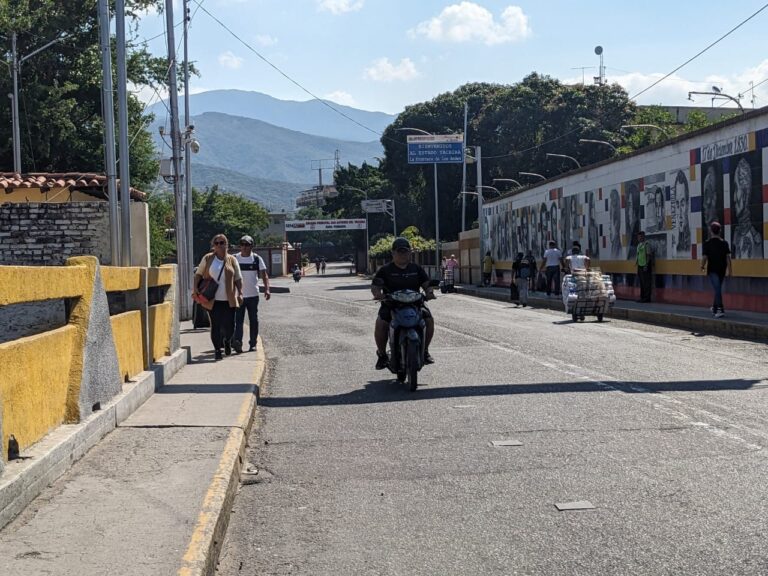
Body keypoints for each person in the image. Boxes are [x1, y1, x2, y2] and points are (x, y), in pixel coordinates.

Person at [371, 237, 435, 370]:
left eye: (405, 251)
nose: (403, 254)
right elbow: (375, 286)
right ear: (393, 253)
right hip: (391, 305)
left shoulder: (416, 269)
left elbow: (426, 284)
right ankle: (382, 355)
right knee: (381, 323)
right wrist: (378, 294)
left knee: (429, 320)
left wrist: (429, 292)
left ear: (410, 253)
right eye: (399, 252)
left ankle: (425, 351)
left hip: (415, 304)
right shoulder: (385, 270)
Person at [192, 234, 243, 360]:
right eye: (217, 243)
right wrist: (196, 288)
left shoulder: (232, 260)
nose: (219, 245)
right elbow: (198, 274)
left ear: (227, 245)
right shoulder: (208, 258)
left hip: (229, 299)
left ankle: (227, 341)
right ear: (213, 245)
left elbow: (238, 278)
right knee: (215, 325)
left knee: (230, 326)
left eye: (222, 242)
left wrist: (240, 293)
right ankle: (217, 350)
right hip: (212, 300)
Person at [233, 235, 270, 353]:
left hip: (253, 295)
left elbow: (264, 275)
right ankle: (238, 342)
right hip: (239, 295)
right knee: (238, 320)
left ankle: (253, 343)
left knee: (253, 320)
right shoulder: (235, 259)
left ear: (251, 246)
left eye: (247, 245)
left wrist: (267, 289)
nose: (244, 247)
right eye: (242, 244)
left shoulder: (257, 259)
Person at [731, 158, 763, 258]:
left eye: (736, 189)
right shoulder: (738, 234)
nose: (734, 198)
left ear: (745, 195)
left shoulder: (754, 239)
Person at [701, 221, 732, 318]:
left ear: (711, 231)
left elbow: (705, 257)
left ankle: (720, 309)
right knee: (717, 288)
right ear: (720, 231)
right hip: (722, 269)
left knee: (717, 288)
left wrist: (702, 266)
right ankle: (715, 308)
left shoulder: (707, 243)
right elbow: (728, 258)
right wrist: (730, 270)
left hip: (712, 270)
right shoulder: (724, 243)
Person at [635, 231, 654, 303]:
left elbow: (649, 255)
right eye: (638, 237)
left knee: (646, 283)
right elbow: (638, 255)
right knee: (642, 283)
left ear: (643, 237)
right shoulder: (639, 245)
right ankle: (642, 297)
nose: (639, 238)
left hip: (645, 266)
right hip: (640, 265)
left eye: (641, 237)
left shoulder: (647, 244)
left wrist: (646, 265)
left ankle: (647, 298)